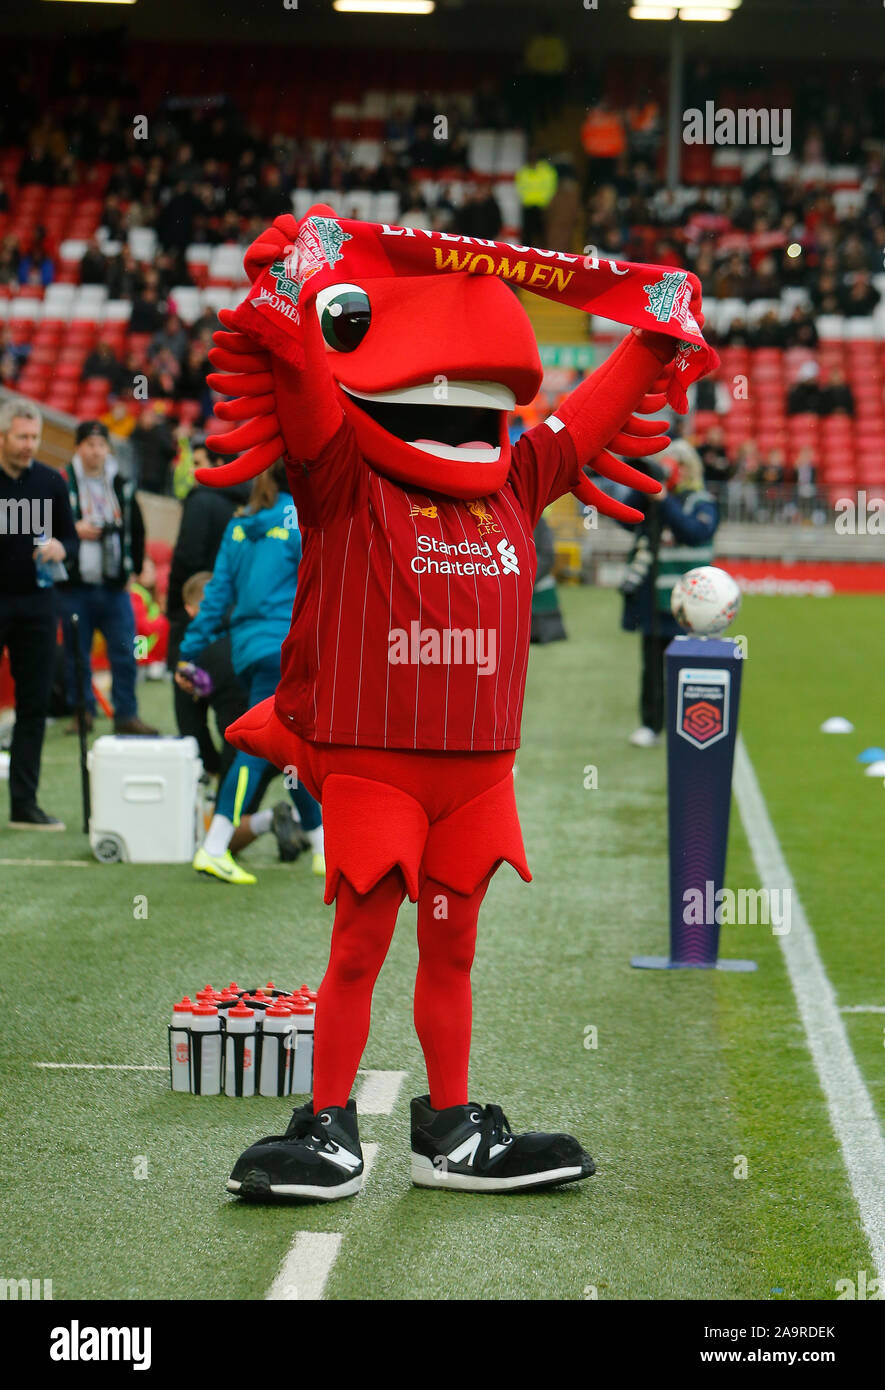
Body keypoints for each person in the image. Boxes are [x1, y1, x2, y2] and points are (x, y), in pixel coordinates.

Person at [177, 458, 324, 884]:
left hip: (247, 650)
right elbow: (326, 583)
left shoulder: (239, 524)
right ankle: (216, 844)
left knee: (291, 748)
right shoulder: (304, 519)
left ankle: (321, 845)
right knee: (262, 750)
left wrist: (187, 655)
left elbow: (214, 596)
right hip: (286, 650)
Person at [0, 399, 78, 829]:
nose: (30, 445)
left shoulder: (51, 481)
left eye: (35, 437)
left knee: (34, 705)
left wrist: (62, 547)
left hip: (37, 604)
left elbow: (72, 537)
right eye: (22, 437)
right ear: (3, 437)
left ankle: (23, 806)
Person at [57, 421, 158, 737]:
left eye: (101, 445)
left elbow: (136, 525)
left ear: (107, 450)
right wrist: (73, 530)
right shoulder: (62, 482)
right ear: (78, 447)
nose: (96, 451)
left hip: (114, 587)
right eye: (90, 445)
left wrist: (137, 565)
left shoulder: (121, 484)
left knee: (126, 651)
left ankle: (126, 714)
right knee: (77, 655)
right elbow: (43, 527)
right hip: (75, 585)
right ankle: (82, 712)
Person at [620, 443, 719, 748]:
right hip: (653, 600)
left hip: (691, 603)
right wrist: (645, 482)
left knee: (688, 667)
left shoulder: (702, 501)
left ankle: (691, 724)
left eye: (678, 465)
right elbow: (623, 516)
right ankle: (651, 724)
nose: (673, 470)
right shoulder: (654, 500)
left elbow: (694, 532)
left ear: (691, 469)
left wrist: (664, 501)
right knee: (651, 666)